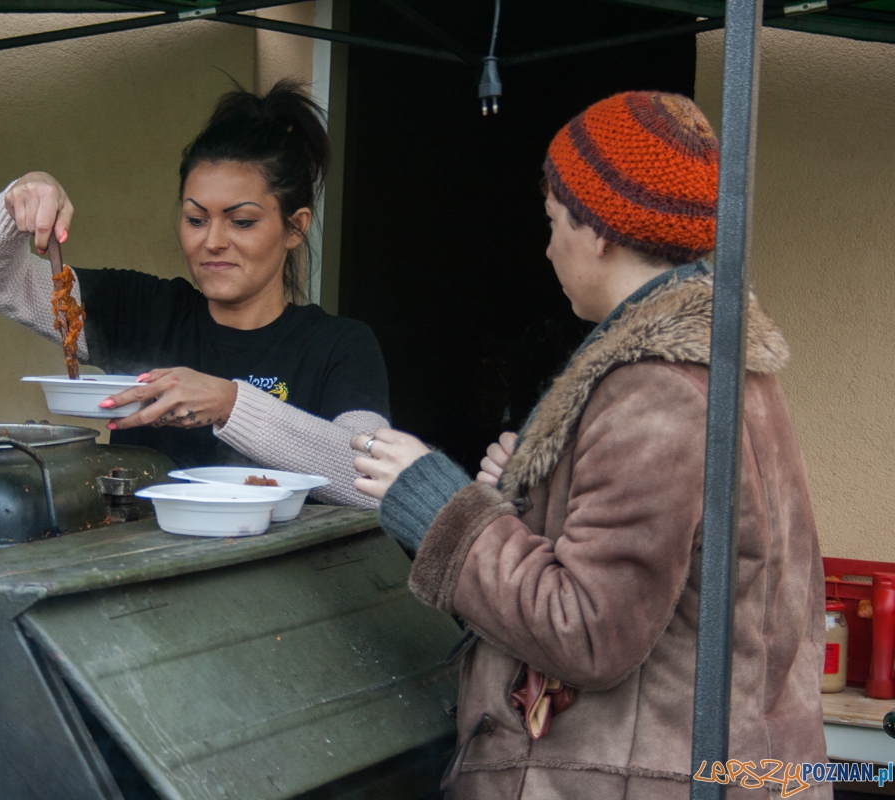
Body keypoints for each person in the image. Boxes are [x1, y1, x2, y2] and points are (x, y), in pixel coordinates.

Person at [350, 92, 828, 798]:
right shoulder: (724, 369)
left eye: (553, 223)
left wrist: (441, 510)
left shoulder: (658, 390)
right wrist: (537, 499)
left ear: (599, 230)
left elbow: (587, 629)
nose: (547, 248)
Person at [0, 81, 387, 505]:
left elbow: (371, 485)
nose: (213, 241)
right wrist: (22, 193)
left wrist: (230, 403)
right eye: (196, 219)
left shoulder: (340, 346)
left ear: (295, 227)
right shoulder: (142, 309)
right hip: (134, 563)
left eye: (241, 221)